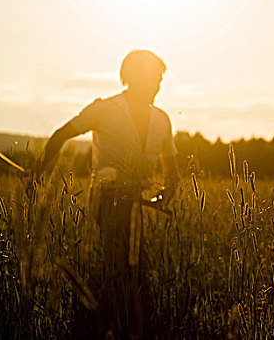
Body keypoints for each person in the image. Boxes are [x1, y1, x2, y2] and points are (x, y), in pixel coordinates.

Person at [38, 50, 179, 339]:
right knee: (123, 271)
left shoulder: (162, 119)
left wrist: (166, 194)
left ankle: (121, 322)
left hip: (136, 206)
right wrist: (38, 173)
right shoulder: (105, 110)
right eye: (154, 78)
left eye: (161, 80)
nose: (158, 85)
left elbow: (172, 170)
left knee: (135, 274)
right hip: (106, 200)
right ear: (134, 77)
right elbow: (61, 135)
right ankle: (107, 324)